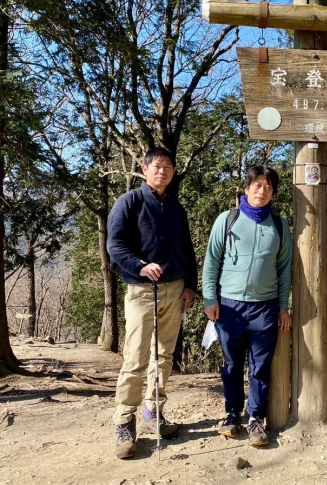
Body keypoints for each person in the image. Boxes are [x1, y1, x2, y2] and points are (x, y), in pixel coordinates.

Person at [107, 147, 197, 459]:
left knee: (164, 355)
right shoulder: (129, 201)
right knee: (135, 357)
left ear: (173, 173)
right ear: (145, 170)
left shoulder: (176, 207)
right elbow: (114, 244)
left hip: (174, 290)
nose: (162, 171)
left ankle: (153, 413)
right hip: (142, 290)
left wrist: (190, 285)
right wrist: (139, 265)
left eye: (168, 167)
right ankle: (124, 421)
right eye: (157, 166)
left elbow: (186, 248)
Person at [202, 165, 292, 447]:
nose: (262, 191)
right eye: (257, 185)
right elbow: (211, 261)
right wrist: (210, 299)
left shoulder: (279, 225)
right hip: (229, 307)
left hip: (264, 308)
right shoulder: (227, 220)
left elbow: (284, 268)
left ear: (273, 193)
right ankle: (231, 414)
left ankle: (256, 419)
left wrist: (282, 305)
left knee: (259, 368)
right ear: (246, 188)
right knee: (231, 364)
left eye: (268, 187)